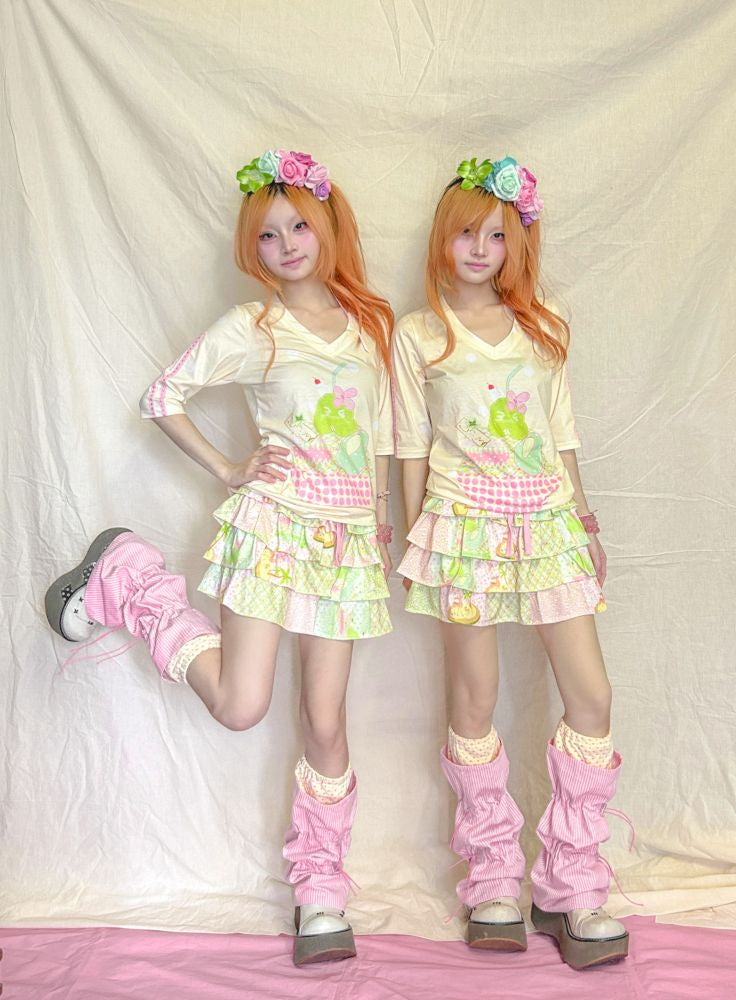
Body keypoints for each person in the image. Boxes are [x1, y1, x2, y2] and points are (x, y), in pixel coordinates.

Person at [45, 149, 394, 967]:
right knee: (241, 705)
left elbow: (377, 434)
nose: (286, 245)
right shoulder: (254, 328)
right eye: (267, 235)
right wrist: (231, 469)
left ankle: (321, 893)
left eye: (298, 226)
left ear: (329, 226)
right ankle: (130, 580)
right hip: (273, 531)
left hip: (344, 546)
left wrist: (378, 519)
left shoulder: (369, 327)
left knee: (326, 721)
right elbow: (161, 397)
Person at [392, 155, 629, 970]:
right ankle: (492, 877)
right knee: (475, 696)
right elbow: (409, 446)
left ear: (516, 244)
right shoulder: (419, 334)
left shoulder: (544, 324)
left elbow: (562, 434)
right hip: (462, 529)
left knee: (591, 696)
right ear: (444, 237)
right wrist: (414, 537)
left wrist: (584, 522)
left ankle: (572, 884)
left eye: (496, 236)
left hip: (548, 524)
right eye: (467, 233)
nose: (479, 249)